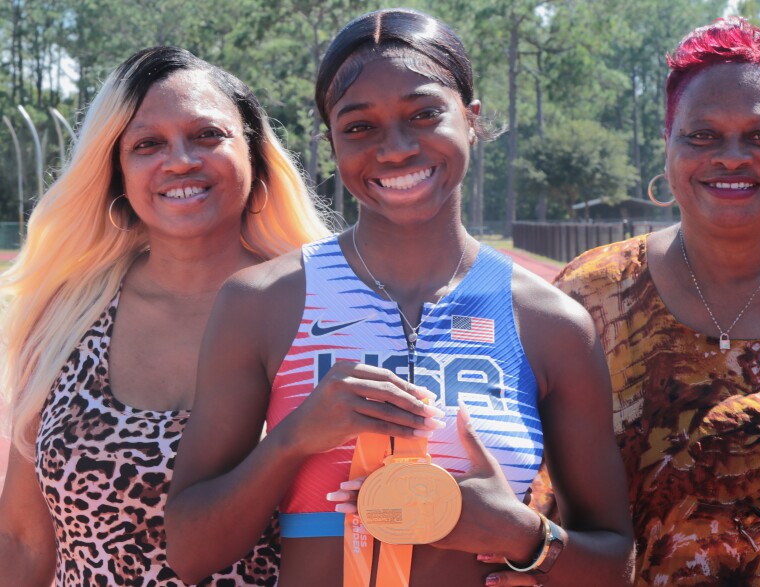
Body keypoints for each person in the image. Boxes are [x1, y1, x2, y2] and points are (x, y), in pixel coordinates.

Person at [166, 8, 633, 587]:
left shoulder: (550, 323)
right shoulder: (261, 303)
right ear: (330, 140)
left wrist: (523, 536)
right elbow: (189, 551)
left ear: (471, 117)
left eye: (423, 114)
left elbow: (614, 565)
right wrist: (292, 440)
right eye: (360, 126)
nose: (395, 148)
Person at [555, 16, 760, 586]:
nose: (731, 157)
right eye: (702, 135)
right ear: (668, 144)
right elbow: (541, 492)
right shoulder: (591, 295)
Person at [0, 46, 329, 586]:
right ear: (115, 177)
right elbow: (20, 539)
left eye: (208, 135)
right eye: (147, 144)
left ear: (255, 156)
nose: (179, 160)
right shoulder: (66, 319)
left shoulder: (325, 310)